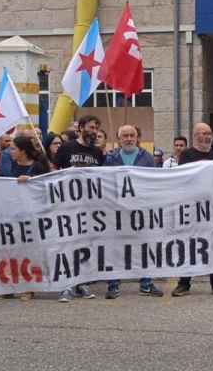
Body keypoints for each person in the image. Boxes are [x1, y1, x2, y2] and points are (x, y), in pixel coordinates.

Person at [172, 123, 213, 297]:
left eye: (209, 133)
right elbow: (182, 180)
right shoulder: (186, 155)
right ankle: (184, 283)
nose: (206, 136)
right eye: (202, 133)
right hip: (191, 209)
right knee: (188, 244)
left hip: (212, 211)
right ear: (195, 136)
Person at [102, 125, 162, 299]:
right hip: (117, 212)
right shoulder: (111, 158)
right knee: (114, 248)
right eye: (125, 136)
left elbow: (155, 183)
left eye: (132, 135)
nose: (128, 138)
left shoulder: (148, 158)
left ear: (137, 137)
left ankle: (146, 283)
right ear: (119, 139)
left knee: (144, 247)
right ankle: (113, 284)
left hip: (140, 211)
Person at [54, 115, 104, 302]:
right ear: (81, 128)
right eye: (91, 127)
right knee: (67, 244)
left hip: (88, 207)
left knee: (84, 245)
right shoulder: (67, 147)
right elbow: (55, 170)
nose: (94, 131)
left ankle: (81, 282)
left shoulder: (97, 153)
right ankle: (65, 285)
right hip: (67, 205)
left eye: (96, 128)